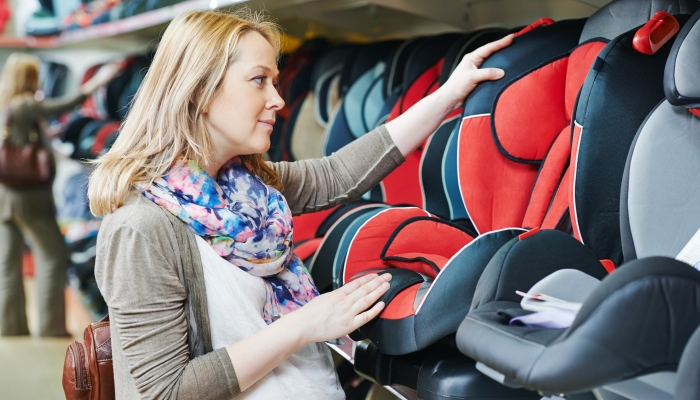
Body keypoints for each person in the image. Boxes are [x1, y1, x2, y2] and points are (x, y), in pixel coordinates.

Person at [87, 9, 513, 399]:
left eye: (275, 80)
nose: (278, 99)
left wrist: (449, 94)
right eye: (259, 80)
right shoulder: (141, 228)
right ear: (198, 89)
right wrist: (306, 324)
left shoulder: (249, 191)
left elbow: (340, 173)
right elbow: (161, 393)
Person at [0, 54, 120, 336]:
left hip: (5, 195)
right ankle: (50, 327)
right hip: (29, 197)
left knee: (8, 261)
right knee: (53, 256)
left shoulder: (6, 103)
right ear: (29, 78)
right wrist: (97, 82)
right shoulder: (24, 104)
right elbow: (63, 106)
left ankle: (10, 325)